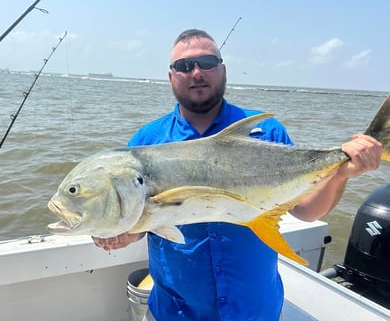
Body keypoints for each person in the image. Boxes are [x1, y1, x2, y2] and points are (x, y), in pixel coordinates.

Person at [93, 29, 382, 320]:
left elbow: (306, 211)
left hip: (255, 311)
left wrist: (343, 172)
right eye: (183, 66)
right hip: (176, 312)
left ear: (223, 69)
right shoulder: (146, 142)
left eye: (207, 62)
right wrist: (122, 234)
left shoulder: (266, 133)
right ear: (171, 77)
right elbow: (145, 219)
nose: (196, 72)